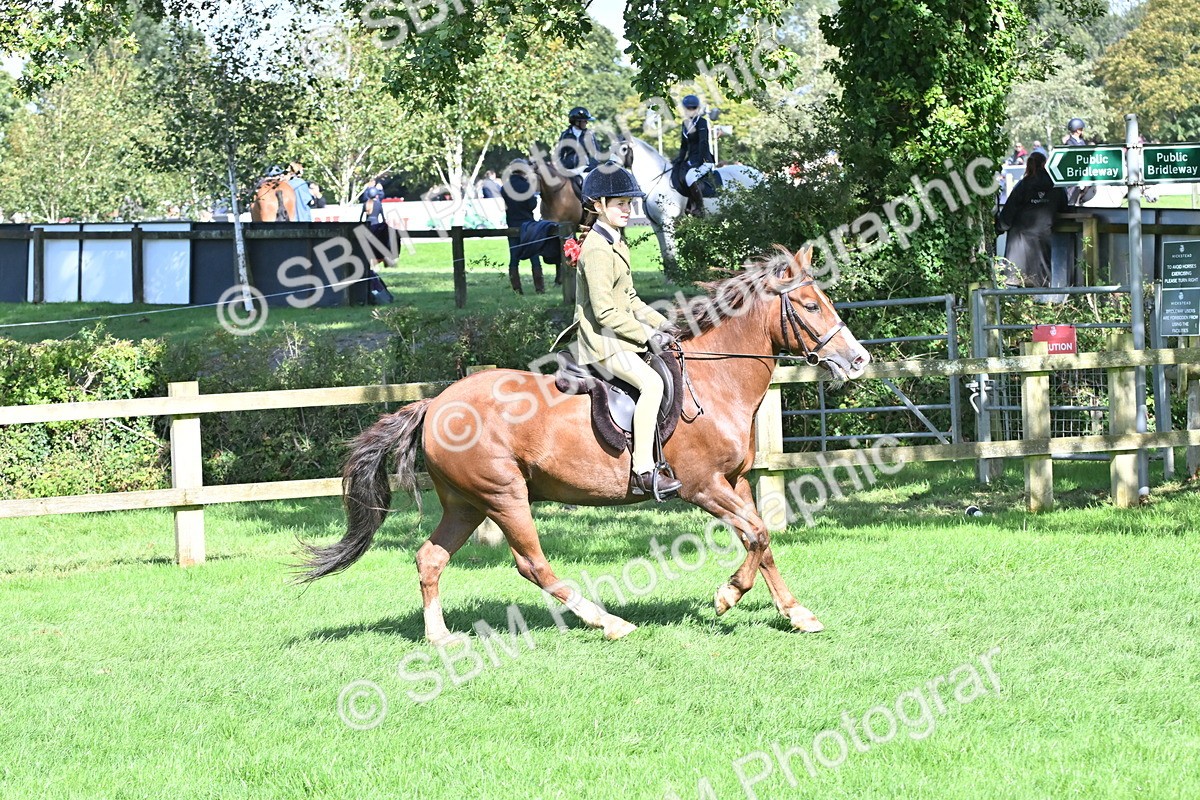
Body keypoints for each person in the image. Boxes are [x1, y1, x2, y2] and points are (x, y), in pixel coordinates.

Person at [556, 165, 683, 499]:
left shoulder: (617, 243)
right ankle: (642, 470)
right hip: (601, 344)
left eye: (630, 203)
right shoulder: (597, 249)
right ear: (598, 205)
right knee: (653, 384)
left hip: (619, 337)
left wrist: (663, 324)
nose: (628, 210)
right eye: (621, 204)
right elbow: (605, 312)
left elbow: (630, 299)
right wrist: (646, 336)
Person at [995, 150, 1067, 288]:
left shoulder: (1023, 185)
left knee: (1019, 279)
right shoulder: (1056, 186)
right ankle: (1041, 306)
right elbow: (1064, 208)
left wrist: (999, 227)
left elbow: (1010, 210)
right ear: (1045, 164)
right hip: (1043, 236)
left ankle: (1023, 307)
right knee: (1041, 280)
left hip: (1020, 240)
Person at [671, 94, 716, 216]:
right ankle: (687, 205)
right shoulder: (685, 123)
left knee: (691, 177)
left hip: (704, 160)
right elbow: (684, 145)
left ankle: (700, 208)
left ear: (697, 109)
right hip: (690, 160)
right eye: (688, 108)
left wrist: (700, 161)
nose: (691, 111)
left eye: (693, 108)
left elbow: (703, 142)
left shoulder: (702, 122)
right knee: (677, 173)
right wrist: (679, 159)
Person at [557, 106, 601, 199]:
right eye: (584, 121)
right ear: (576, 122)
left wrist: (592, 166)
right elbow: (559, 153)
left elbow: (596, 153)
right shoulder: (565, 134)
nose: (586, 123)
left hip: (584, 167)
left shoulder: (589, 135)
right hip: (569, 168)